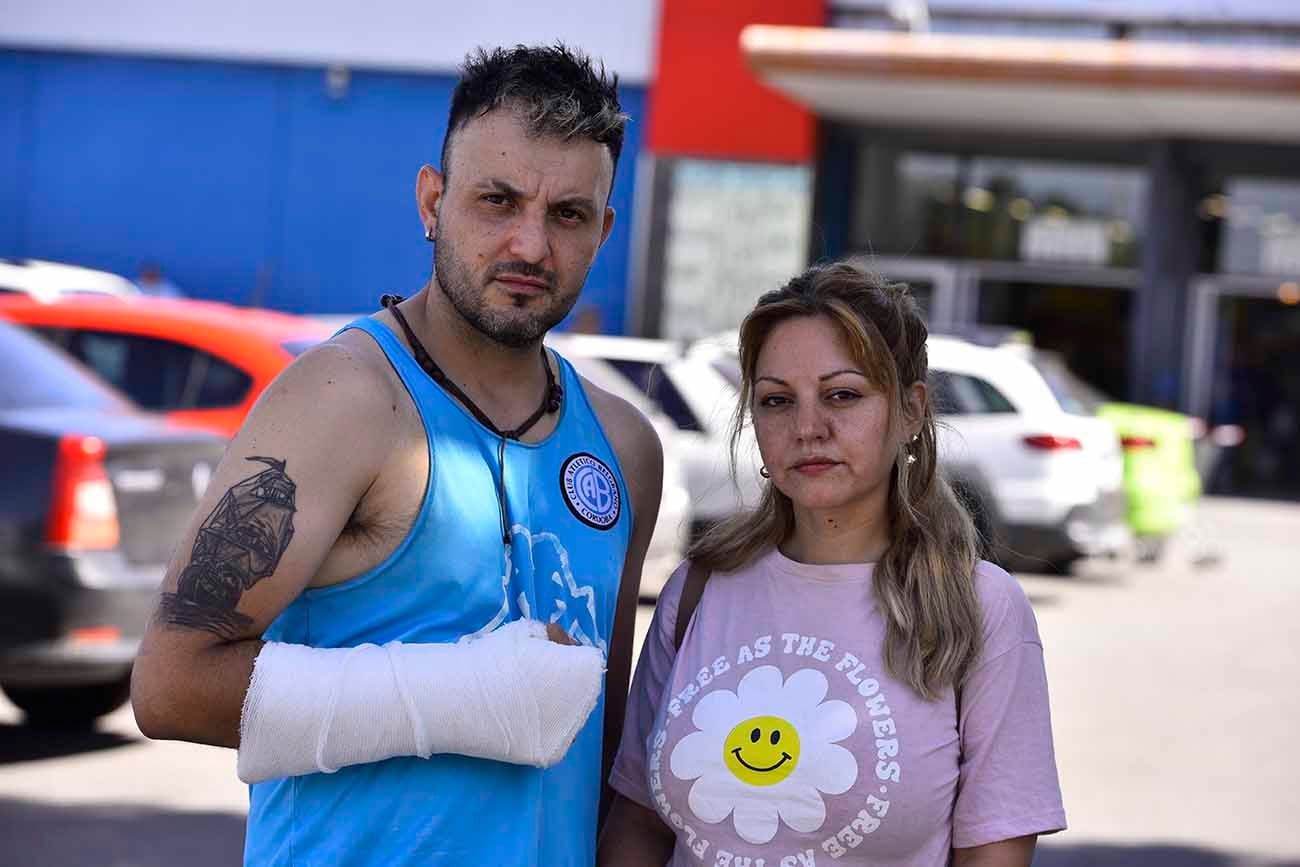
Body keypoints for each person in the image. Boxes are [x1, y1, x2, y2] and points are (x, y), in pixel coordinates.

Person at [131, 44, 664, 866]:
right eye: (498, 200)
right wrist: (459, 698)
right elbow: (169, 687)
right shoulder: (342, 399)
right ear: (432, 200)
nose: (530, 244)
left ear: (604, 230)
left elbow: (602, 747)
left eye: (567, 214)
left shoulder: (625, 448)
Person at [599, 262, 1065, 866]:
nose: (808, 428)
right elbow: (638, 825)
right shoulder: (698, 589)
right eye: (777, 401)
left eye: (843, 394)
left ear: (911, 411)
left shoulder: (980, 608)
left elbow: (994, 855)